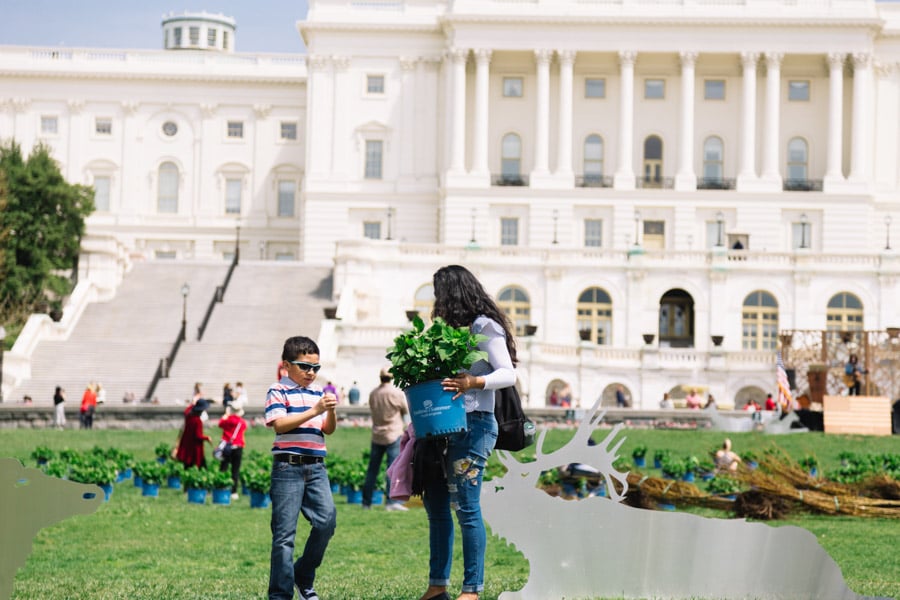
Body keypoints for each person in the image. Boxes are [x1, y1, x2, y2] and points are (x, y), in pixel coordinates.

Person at [419, 264, 517, 600]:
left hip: (474, 425)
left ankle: (472, 589)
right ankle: (437, 586)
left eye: (440, 294)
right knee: (435, 504)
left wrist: (474, 381)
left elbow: (508, 374)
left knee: (467, 507)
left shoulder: (484, 326)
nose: (437, 302)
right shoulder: (449, 331)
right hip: (441, 427)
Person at [266, 336, 338, 600]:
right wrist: (315, 409)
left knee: (326, 522)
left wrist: (329, 411)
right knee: (284, 536)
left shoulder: (318, 393)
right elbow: (280, 424)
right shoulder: (278, 390)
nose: (311, 373)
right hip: (288, 468)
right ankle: (280, 594)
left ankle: (303, 573)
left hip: (316, 468)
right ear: (286, 365)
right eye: (305, 367)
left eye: (316, 368)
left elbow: (327, 429)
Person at [362, 367, 409, 511]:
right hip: (393, 432)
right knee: (393, 469)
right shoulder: (396, 393)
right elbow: (405, 411)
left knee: (372, 470)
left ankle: (366, 503)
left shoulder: (373, 393)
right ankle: (391, 502)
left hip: (377, 433)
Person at [218, 399, 248, 499]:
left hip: (227, 446)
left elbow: (220, 424)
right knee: (235, 470)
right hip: (237, 446)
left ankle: (221, 487)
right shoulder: (242, 422)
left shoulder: (227, 420)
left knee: (224, 467)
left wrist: (225, 415)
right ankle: (233, 491)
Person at [175, 398, 212, 468]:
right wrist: (207, 438)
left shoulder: (188, 416)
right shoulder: (198, 421)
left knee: (187, 464)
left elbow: (187, 410)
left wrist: (193, 404)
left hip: (187, 443)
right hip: (195, 447)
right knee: (199, 465)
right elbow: (198, 436)